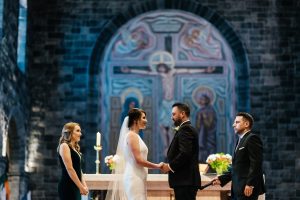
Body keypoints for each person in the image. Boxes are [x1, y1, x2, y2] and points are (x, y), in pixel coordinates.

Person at [105, 108, 163, 200]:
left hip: (139, 176)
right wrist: (157, 166)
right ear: (136, 120)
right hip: (134, 177)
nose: (146, 120)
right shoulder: (132, 136)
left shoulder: (135, 136)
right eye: (143, 118)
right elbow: (138, 160)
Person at [212, 112, 265, 200]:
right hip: (238, 189)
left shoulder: (252, 138)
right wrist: (222, 179)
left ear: (246, 124)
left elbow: (256, 163)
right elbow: (237, 167)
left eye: (237, 122)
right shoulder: (240, 141)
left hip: (246, 189)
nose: (233, 125)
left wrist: (250, 184)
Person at [161, 102, 201, 200]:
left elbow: (185, 153)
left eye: (174, 114)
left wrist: (169, 167)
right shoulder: (185, 128)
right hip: (184, 181)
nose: (172, 117)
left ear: (182, 114)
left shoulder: (186, 129)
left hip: (185, 181)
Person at [57, 122, 88, 200]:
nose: (80, 134)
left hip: (75, 185)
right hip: (68, 185)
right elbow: (70, 168)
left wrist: (84, 185)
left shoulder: (75, 148)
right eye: (77, 131)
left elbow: (79, 169)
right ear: (70, 132)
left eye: (80, 131)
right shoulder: (64, 146)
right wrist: (81, 187)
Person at [195, 94, 217, 163]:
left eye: (203, 99)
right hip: (201, 134)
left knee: (210, 148)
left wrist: (204, 116)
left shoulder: (211, 110)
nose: (202, 101)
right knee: (201, 149)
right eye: (201, 99)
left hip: (209, 134)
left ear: (207, 100)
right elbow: (197, 125)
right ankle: (202, 161)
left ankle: (210, 162)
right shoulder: (199, 111)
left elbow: (209, 124)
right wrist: (199, 118)